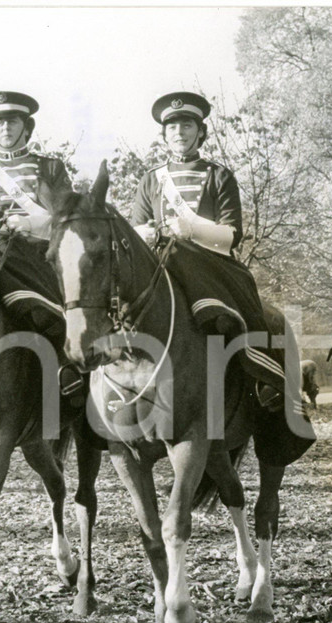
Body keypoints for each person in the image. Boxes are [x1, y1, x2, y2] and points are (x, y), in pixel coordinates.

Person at [131, 91, 313, 464]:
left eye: (187, 125)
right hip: (159, 267)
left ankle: (262, 379)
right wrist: (146, 233)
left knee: (245, 310)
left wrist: (192, 227)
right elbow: (136, 229)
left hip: (210, 265)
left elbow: (231, 235)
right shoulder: (151, 180)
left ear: (200, 132)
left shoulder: (218, 175)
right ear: (163, 135)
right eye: (172, 126)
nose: (179, 131)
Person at [0, 90, 83, 402]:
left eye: (13, 121)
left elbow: (66, 218)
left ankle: (63, 363)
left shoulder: (50, 168)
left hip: (39, 254)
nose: (5, 128)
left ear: (25, 127)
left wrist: (29, 224)